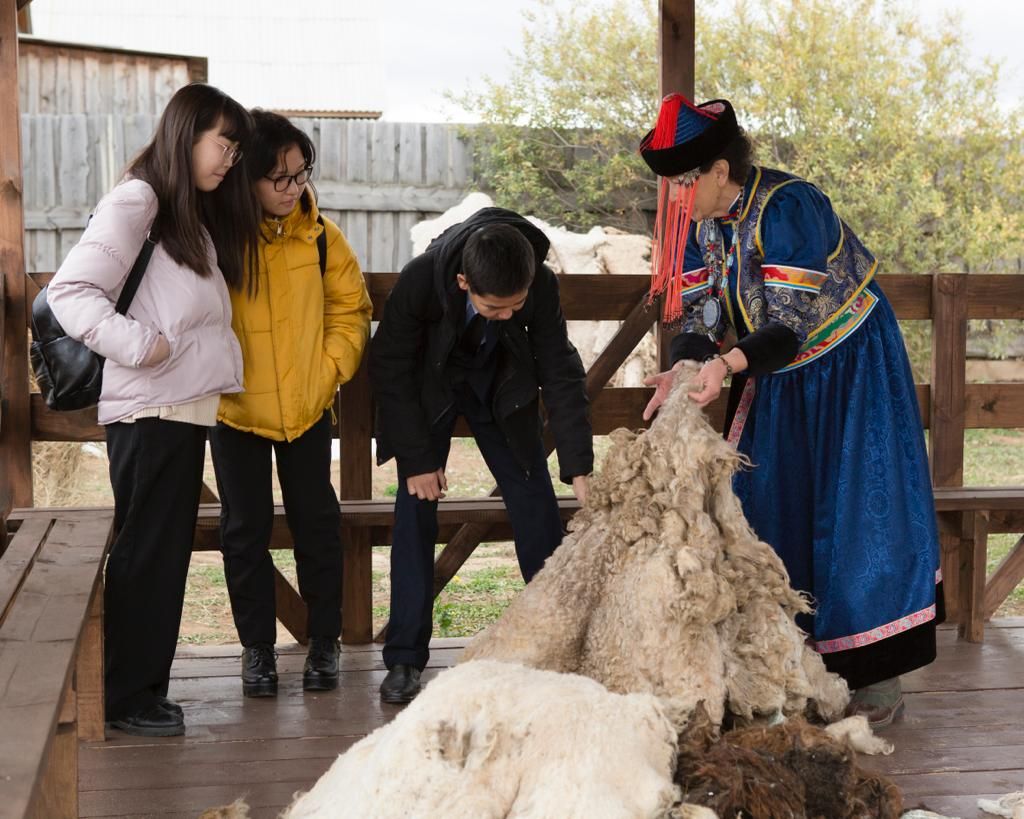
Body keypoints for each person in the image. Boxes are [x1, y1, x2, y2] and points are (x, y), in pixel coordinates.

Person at [639, 94, 942, 728]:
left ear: (720, 171)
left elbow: (789, 325)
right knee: (768, 503)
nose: (675, 198)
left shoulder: (789, 206)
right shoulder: (702, 224)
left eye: (683, 184)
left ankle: (876, 678)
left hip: (848, 368)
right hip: (775, 374)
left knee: (857, 513)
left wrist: (726, 365)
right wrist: (685, 368)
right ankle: (789, 664)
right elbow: (700, 319)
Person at [47, 83, 261, 736]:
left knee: (162, 554)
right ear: (187, 134)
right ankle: (123, 695)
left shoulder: (182, 209)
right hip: (149, 408)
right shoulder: (138, 199)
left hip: (179, 407)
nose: (230, 159)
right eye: (224, 143)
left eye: (236, 149)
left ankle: (141, 689)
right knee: (147, 553)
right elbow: (71, 290)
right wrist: (143, 346)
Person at [370, 208, 593, 703]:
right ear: (463, 282)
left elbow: (560, 369)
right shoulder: (422, 279)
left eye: (517, 306)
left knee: (536, 504)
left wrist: (579, 466)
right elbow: (389, 366)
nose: (509, 314)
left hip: (502, 385)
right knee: (415, 509)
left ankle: (559, 642)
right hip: (431, 386)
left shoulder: (539, 285)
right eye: (495, 307)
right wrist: (417, 459)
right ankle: (404, 657)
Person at [209, 110, 372, 697]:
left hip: (307, 411)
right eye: (278, 178)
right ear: (245, 176)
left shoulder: (323, 238)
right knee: (243, 533)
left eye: (301, 174)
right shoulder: (217, 239)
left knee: (318, 527)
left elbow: (351, 309)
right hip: (235, 413)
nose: (292, 188)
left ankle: (324, 641)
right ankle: (256, 649)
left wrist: (329, 369)